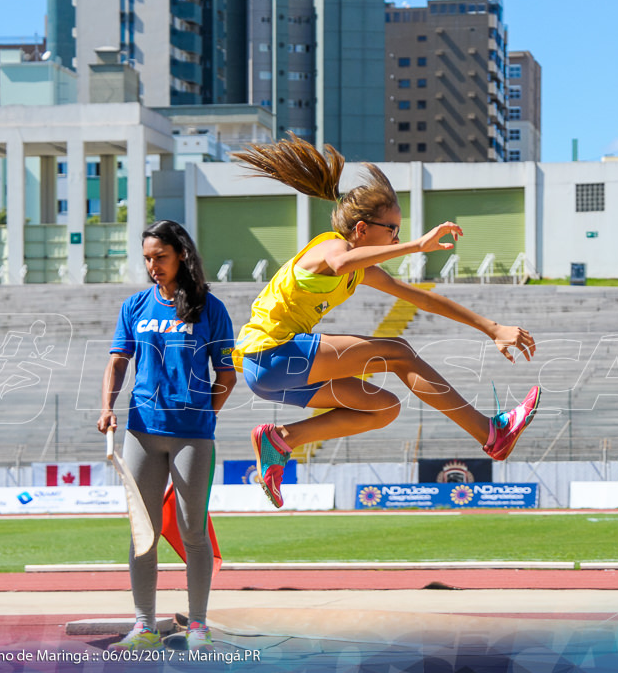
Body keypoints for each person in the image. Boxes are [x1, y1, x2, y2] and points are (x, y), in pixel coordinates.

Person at [230, 135, 540, 509]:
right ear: (362, 229)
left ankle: (280, 439)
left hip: (274, 375)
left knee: (383, 407)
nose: (397, 237)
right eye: (392, 229)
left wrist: (493, 329)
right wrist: (415, 247)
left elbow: (420, 297)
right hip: (270, 355)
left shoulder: (362, 270)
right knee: (399, 352)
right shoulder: (333, 247)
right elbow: (341, 263)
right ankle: (492, 433)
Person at [98, 220, 236, 651]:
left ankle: (198, 625)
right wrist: (107, 406)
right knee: (144, 532)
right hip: (141, 432)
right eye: (147, 258)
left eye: (160, 256)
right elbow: (118, 362)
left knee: (194, 532)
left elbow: (227, 375)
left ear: (181, 255)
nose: (153, 265)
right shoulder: (134, 307)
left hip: (192, 436)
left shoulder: (210, 308)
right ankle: (144, 627)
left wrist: (205, 417)